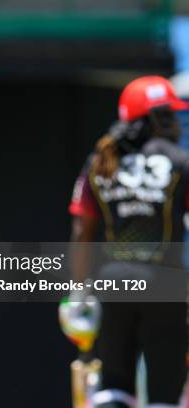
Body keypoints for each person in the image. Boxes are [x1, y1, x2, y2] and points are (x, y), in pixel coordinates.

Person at [65, 76, 189, 408]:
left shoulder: (100, 161)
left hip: (113, 283)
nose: (175, 122)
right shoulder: (180, 161)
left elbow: (81, 232)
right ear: (155, 119)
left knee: (113, 390)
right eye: (169, 115)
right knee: (165, 396)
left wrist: (78, 293)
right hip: (167, 284)